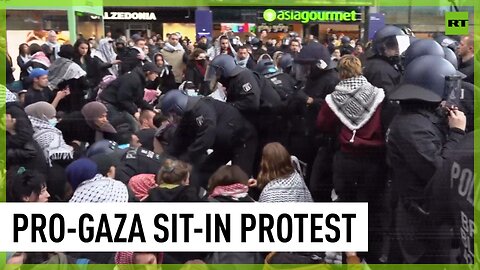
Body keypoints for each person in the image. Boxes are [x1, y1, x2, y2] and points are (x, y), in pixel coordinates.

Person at [387, 55, 466, 263]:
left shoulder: (420, 118)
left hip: (429, 214)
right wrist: (457, 133)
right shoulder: (411, 128)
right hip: (421, 219)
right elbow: (441, 172)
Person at [317, 55, 387, 262]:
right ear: (360, 69)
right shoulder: (378, 94)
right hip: (374, 160)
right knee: (372, 208)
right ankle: (372, 257)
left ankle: (351, 258)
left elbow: (322, 124)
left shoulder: (334, 98)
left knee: (347, 209)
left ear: (340, 73)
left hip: (346, 160)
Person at [160, 90, 257, 188]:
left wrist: (184, 160)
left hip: (243, 140)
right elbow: (179, 139)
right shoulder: (188, 116)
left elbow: (205, 139)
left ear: (178, 108)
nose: (172, 119)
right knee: (203, 173)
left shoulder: (202, 110)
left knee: (239, 180)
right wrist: (163, 158)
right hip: (224, 146)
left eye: (172, 115)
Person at [99, 62, 160, 132]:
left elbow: (138, 99)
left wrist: (151, 108)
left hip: (117, 104)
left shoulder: (140, 80)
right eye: (155, 73)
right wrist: (134, 112)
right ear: (148, 72)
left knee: (133, 124)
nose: (157, 76)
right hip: (109, 103)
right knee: (119, 127)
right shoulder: (133, 79)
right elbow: (123, 98)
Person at [205, 54, 261, 123]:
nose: (217, 76)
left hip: (264, 118)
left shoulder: (243, 77)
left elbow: (251, 103)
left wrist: (226, 106)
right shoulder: (231, 80)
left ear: (223, 70)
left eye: (217, 72)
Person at [363, 25, 409, 97]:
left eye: (398, 46)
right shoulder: (381, 70)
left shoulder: (382, 64)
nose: (397, 50)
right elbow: (389, 99)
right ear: (381, 48)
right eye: (392, 46)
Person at [24, 102, 73, 167]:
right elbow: (59, 157)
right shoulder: (48, 135)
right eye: (52, 117)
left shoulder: (28, 128)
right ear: (42, 116)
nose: (55, 120)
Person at [47, 44, 89, 113]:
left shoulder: (54, 63)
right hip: (73, 99)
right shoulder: (73, 66)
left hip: (56, 96)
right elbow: (84, 83)